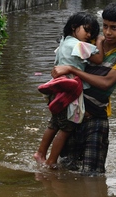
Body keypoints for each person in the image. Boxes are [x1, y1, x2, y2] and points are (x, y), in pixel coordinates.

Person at [50, 2, 116, 174]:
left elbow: (106, 83)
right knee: (64, 172)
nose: (108, 32)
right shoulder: (86, 42)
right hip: (72, 116)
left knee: (93, 176)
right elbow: (64, 57)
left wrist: (72, 70)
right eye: (105, 26)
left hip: (96, 119)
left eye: (114, 28)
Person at [34, 12, 104, 168]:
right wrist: (99, 40)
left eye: (92, 32)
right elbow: (98, 59)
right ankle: (51, 161)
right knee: (66, 128)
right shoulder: (78, 45)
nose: (89, 35)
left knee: (54, 124)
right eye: (86, 30)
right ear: (74, 27)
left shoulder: (63, 43)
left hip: (56, 90)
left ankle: (40, 153)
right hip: (68, 93)